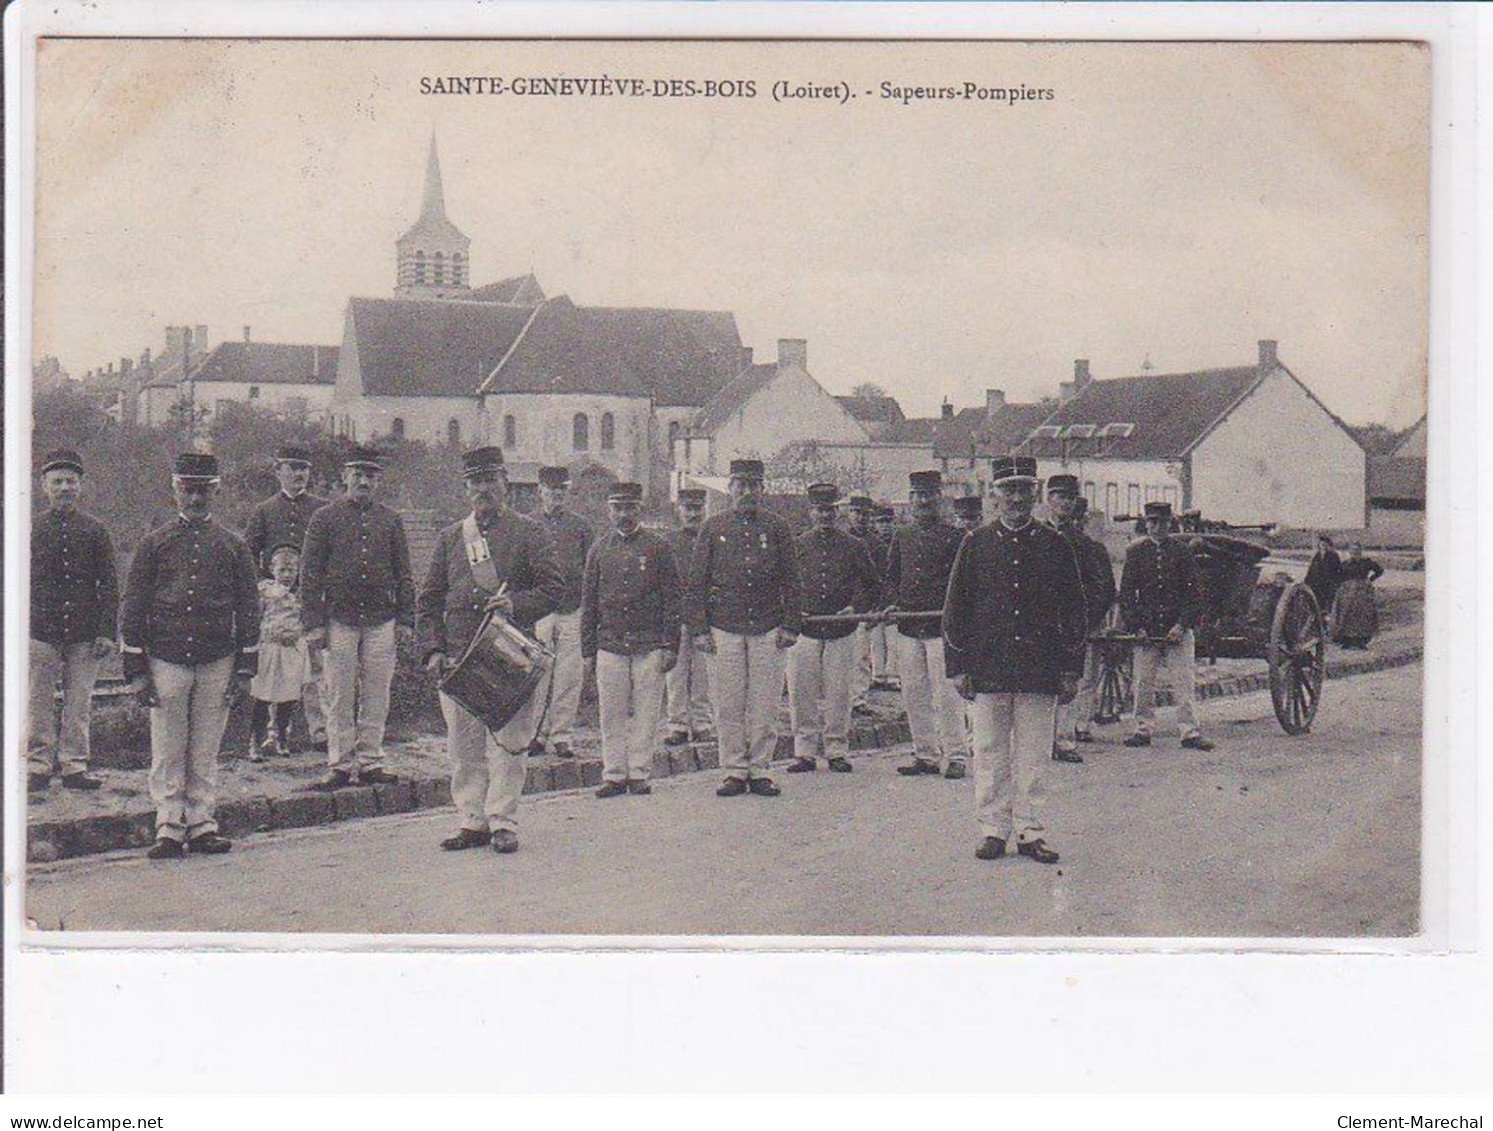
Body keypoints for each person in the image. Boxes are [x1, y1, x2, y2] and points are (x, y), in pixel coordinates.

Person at [418, 447, 564, 853]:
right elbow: (428, 600)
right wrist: (432, 650)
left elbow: (555, 589)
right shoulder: (451, 538)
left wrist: (515, 603)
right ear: (467, 488)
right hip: (459, 657)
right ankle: (472, 820)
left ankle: (503, 820)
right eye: (476, 482)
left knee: (508, 742)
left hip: (509, 654)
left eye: (491, 481)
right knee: (463, 746)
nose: (483, 489)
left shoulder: (530, 532)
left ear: (505, 484)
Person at [945, 456, 1087, 864]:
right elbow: (956, 608)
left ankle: (1030, 829)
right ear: (995, 495)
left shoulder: (1055, 545)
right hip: (988, 666)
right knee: (988, 750)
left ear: (1035, 493)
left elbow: (1074, 611)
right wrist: (958, 667)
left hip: (1040, 667)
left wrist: (1071, 668)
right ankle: (993, 828)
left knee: (1034, 754)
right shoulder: (976, 544)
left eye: (1024, 490)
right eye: (1009, 490)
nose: (1017, 498)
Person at [120, 453, 259, 859]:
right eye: (188, 489)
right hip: (166, 658)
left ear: (215, 492)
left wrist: (245, 665)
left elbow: (249, 606)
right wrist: (137, 667)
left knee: (205, 748)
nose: (196, 498)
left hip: (218, 658)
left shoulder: (233, 545)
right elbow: (134, 603)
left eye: (204, 490)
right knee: (167, 746)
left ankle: (201, 824)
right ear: (175, 490)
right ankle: (168, 825)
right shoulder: (154, 543)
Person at [300, 445, 414, 790]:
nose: (364, 481)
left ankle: (370, 759)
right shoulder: (324, 518)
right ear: (345, 477)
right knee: (339, 692)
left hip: (382, 618)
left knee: (377, 691)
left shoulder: (390, 520)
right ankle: (339, 762)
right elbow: (310, 574)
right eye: (358, 475)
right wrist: (314, 623)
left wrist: (407, 619)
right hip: (339, 618)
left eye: (370, 476)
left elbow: (404, 573)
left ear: (378, 481)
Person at [687, 457, 801, 798]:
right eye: (740, 485)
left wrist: (791, 624)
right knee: (728, 700)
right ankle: (734, 769)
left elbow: (792, 580)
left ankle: (760, 768)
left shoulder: (778, 528)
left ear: (762, 489)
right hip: (724, 626)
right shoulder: (713, 527)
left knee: (764, 701)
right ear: (730, 488)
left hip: (768, 626)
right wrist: (700, 629)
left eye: (754, 485)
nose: (747, 492)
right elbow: (697, 582)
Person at [582, 481, 681, 797]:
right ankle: (613, 774)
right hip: (610, 643)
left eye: (629, 507)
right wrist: (588, 650)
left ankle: (639, 772)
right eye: (617, 508)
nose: (623, 514)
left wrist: (669, 644)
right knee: (610, 711)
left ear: (640, 509)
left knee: (646, 710)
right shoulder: (598, 549)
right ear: (608, 510)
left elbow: (671, 599)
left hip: (649, 643)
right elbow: (590, 602)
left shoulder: (658, 547)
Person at [28, 448, 118, 793]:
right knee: (37, 700)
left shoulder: (96, 531)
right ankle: (37, 764)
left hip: (84, 632)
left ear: (81, 486)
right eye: (57, 482)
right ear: (44, 486)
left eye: (71, 481)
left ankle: (74, 765)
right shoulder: (31, 528)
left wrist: (107, 631)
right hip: (40, 630)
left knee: (79, 702)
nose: (65, 487)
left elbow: (109, 584)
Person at [786, 483, 881, 774]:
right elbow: (785, 584)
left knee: (839, 692)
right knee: (802, 692)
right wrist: (794, 609)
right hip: (806, 629)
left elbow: (871, 585)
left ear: (837, 512)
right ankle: (804, 751)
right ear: (810, 512)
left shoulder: (854, 546)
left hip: (841, 629)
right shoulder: (797, 545)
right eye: (819, 510)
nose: (825, 515)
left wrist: (855, 607)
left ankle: (837, 749)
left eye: (830, 510)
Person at [244, 443, 330, 750]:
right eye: (292, 467)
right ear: (278, 471)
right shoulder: (264, 511)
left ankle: (321, 732)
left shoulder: (322, 509)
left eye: (304, 468)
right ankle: (274, 735)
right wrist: (268, 589)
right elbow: (248, 558)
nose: (299, 474)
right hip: (277, 606)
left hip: (312, 600)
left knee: (316, 665)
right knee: (276, 667)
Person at [883, 470, 968, 779]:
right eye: (917, 495)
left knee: (947, 697)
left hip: (940, 629)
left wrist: (954, 613)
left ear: (939, 499)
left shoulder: (955, 537)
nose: (922, 501)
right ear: (910, 500)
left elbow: (964, 584)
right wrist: (892, 602)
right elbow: (891, 578)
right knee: (914, 694)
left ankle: (956, 754)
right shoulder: (902, 536)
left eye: (928, 495)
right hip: (908, 628)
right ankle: (925, 754)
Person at [1120, 501, 1214, 751]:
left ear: (1169, 524)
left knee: (1183, 682)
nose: (1156, 527)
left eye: (1161, 522)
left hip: (1177, 630)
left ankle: (1189, 732)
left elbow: (1194, 594)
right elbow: (1127, 596)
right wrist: (1136, 626)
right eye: (1151, 522)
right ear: (1146, 524)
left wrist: (1182, 626)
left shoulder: (1182, 553)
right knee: (1142, 683)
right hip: (1147, 630)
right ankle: (1142, 729)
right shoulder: (1135, 553)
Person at [1047, 479, 1116, 762]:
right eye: (1059, 496)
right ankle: (1039, 740)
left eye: (1070, 498)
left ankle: (1063, 740)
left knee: (1071, 680)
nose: (1065, 502)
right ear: (1048, 498)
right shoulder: (1034, 535)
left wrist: (1085, 620)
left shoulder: (1084, 545)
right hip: (1039, 624)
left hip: (1072, 625)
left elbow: (1100, 588)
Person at [530, 465, 594, 761]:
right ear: (539, 491)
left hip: (572, 609)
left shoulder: (581, 527)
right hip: (540, 610)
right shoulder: (528, 525)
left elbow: (590, 570)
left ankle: (562, 736)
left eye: (561, 490)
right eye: (550, 489)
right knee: (538, 672)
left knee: (570, 674)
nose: (556, 494)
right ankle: (535, 734)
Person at [247, 543, 311, 762]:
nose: (286, 575)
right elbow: (256, 617)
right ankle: (256, 741)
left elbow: (307, 620)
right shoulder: (265, 591)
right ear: (272, 569)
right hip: (270, 649)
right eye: (282, 570)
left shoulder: (303, 595)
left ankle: (282, 737)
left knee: (287, 698)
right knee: (264, 696)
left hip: (292, 650)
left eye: (291, 570)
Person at [664, 487, 713, 745]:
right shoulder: (669, 541)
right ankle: (677, 725)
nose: (693, 514)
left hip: (707, 617)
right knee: (676, 674)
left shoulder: (713, 538)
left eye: (698, 508)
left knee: (703, 675)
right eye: (688, 508)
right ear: (678, 510)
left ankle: (703, 723)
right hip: (678, 616)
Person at [845, 494, 878, 716]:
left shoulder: (877, 543)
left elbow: (879, 579)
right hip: (840, 604)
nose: (860, 518)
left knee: (860, 655)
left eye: (865, 515)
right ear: (849, 514)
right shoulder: (841, 539)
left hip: (863, 606)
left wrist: (874, 607)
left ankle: (858, 698)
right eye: (856, 513)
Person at [868, 505, 899, 688]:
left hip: (892, 597)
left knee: (893, 640)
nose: (885, 526)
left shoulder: (898, 541)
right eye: (881, 522)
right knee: (876, 640)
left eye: (888, 522)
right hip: (876, 597)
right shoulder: (871, 544)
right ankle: (878, 675)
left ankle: (893, 675)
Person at [1331, 542, 1385, 648]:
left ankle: (1361, 642)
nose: (1354, 553)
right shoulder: (1345, 564)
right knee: (1346, 615)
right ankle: (1346, 641)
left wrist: (1370, 580)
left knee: (1363, 616)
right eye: (1352, 551)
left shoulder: (1366, 563)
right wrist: (1340, 586)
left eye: (1357, 551)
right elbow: (1337, 576)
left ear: (1360, 552)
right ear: (1349, 552)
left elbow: (1379, 570)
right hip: (1347, 593)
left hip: (1362, 592)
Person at [1304, 532, 1344, 620]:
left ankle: (1328, 618)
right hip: (1316, 583)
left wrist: (1337, 582)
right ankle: (1316, 617)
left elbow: (1339, 570)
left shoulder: (1333, 556)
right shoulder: (1316, 557)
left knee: (1329, 602)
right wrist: (1306, 581)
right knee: (1316, 601)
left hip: (1328, 584)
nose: (1323, 545)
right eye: (1321, 544)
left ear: (1328, 545)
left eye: (1324, 544)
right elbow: (1311, 570)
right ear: (1319, 545)